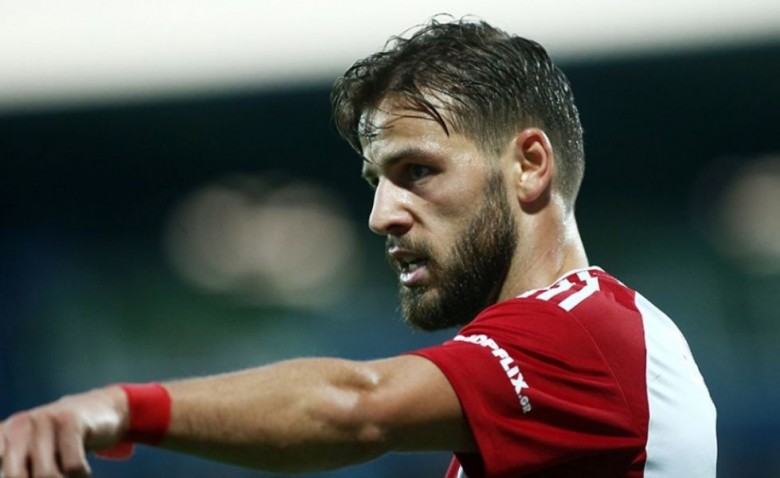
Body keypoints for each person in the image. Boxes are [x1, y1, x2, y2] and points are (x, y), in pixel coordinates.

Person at [0, 16, 717, 478]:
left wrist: (121, 407)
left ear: (529, 165)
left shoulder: (579, 334)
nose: (381, 215)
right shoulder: (591, 343)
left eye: (418, 172)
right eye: (377, 181)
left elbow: (355, 406)